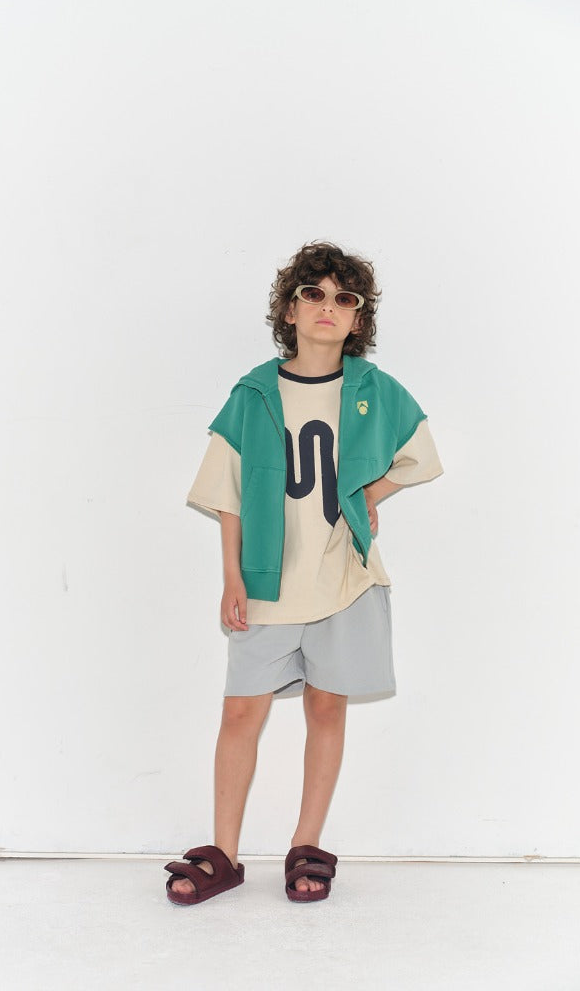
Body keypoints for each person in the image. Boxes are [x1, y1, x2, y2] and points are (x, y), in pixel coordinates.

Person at [164, 240, 444, 905]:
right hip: (268, 577)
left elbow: (419, 455)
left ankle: (306, 843)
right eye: (313, 294)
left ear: (358, 319)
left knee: (326, 704)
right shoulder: (255, 393)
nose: (327, 307)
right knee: (241, 711)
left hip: (344, 577)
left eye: (344, 299)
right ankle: (224, 853)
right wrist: (232, 577)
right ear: (289, 310)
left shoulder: (373, 390)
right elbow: (228, 492)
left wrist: (370, 496)